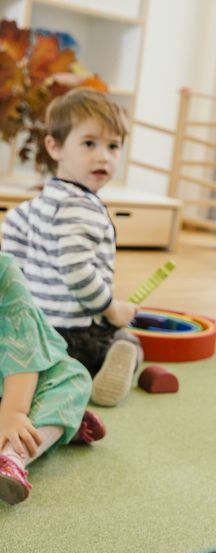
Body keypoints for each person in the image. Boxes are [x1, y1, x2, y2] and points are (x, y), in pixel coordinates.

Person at [1, 88, 142, 408]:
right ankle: (97, 371)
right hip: (75, 333)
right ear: (55, 147)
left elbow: (12, 254)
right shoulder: (82, 207)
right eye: (89, 143)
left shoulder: (32, 205)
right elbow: (77, 270)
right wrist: (111, 308)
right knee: (128, 341)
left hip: (34, 332)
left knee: (33, 361)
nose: (103, 156)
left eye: (113, 146)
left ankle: (37, 374)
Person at [0, 253, 106, 505]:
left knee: (74, 378)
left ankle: (13, 457)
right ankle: (60, 424)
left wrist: (13, 413)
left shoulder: (5, 275)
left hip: (23, 378)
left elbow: (24, 353)